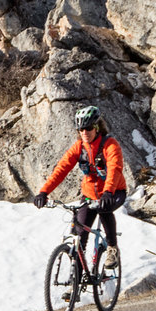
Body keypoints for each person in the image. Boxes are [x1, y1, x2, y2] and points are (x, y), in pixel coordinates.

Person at [33, 104, 126, 258]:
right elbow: (61, 169)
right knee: (78, 237)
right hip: (89, 195)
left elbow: (114, 169)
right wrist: (44, 192)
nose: (84, 133)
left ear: (97, 127)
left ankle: (112, 249)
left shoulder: (110, 145)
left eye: (88, 128)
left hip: (114, 192)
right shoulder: (79, 147)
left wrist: (108, 192)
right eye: (81, 129)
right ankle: (77, 276)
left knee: (104, 209)